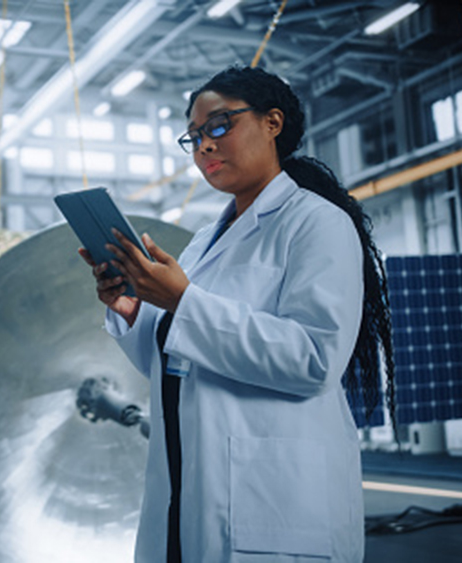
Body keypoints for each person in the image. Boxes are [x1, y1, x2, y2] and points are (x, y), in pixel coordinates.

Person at [79, 66, 394, 562]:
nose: (205, 146)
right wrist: (136, 309)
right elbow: (178, 361)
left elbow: (314, 360)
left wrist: (183, 301)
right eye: (195, 136)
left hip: (271, 496)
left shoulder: (317, 224)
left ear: (273, 123)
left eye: (220, 125)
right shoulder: (206, 239)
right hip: (189, 480)